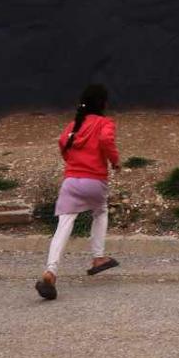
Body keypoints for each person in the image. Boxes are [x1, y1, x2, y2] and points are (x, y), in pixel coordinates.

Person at [36, 83, 120, 301]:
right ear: (102, 103)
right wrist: (115, 161)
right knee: (100, 212)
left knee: (64, 225)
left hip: (71, 181)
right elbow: (105, 140)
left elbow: (62, 142)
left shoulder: (73, 125)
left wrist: (71, 162)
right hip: (94, 181)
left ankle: (50, 271)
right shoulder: (104, 123)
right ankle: (98, 257)